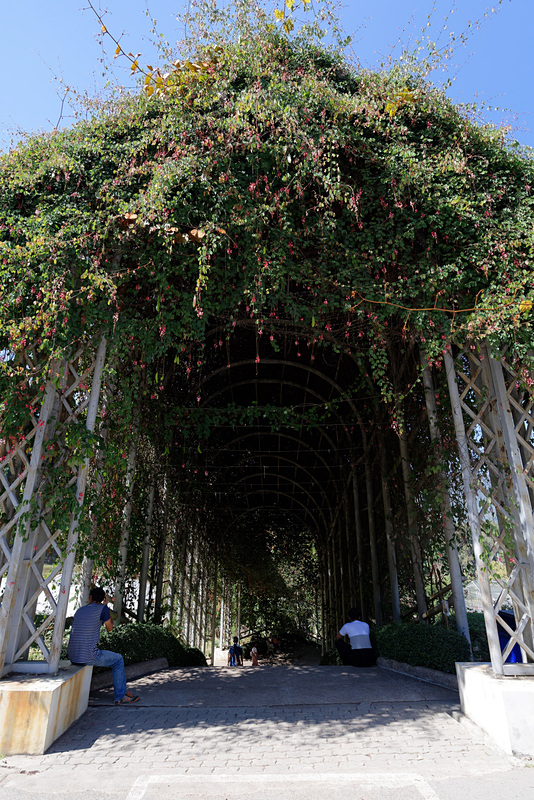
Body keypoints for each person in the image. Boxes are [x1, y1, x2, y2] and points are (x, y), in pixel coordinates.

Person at [68, 586, 139, 705]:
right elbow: (110, 628)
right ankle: (121, 696)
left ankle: (122, 692)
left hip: (72, 655)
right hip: (87, 656)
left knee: (109, 656)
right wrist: (105, 606)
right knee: (118, 660)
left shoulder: (80, 610)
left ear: (90, 597)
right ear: (103, 598)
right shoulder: (103, 609)